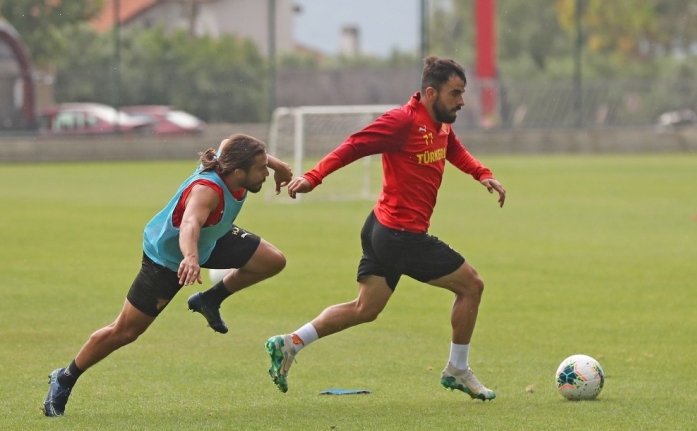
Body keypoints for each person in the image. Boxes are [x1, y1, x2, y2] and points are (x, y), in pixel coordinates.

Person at [265, 56, 506, 401]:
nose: (462, 101)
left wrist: (482, 173)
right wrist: (313, 177)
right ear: (430, 92)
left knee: (366, 308)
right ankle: (457, 369)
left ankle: (290, 343)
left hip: (380, 228)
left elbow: (452, 148)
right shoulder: (401, 122)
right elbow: (354, 145)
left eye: (462, 93)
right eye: (455, 93)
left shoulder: (441, 123)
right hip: (400, 236)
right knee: (472, 286)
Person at [43, 133, 292, 417]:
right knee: (125, 331)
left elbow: (228, 142)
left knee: (272, 261)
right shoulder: (207, 191)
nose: (265, 173)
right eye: (261, 169)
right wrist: (190, 257)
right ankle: (64, 377)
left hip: (212, 239)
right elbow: (189, 224)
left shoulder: (231, 159)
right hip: (169, 259)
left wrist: (278, 164)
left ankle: (209, 300)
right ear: (238, 172)